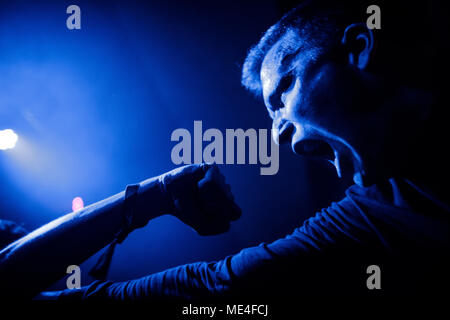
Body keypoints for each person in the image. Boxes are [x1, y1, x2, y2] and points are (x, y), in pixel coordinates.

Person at [1, 0, 448, 299]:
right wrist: (153, 195)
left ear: (359, 48)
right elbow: (213, 289)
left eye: (285, 92)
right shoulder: (372, 214)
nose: (277, 136)